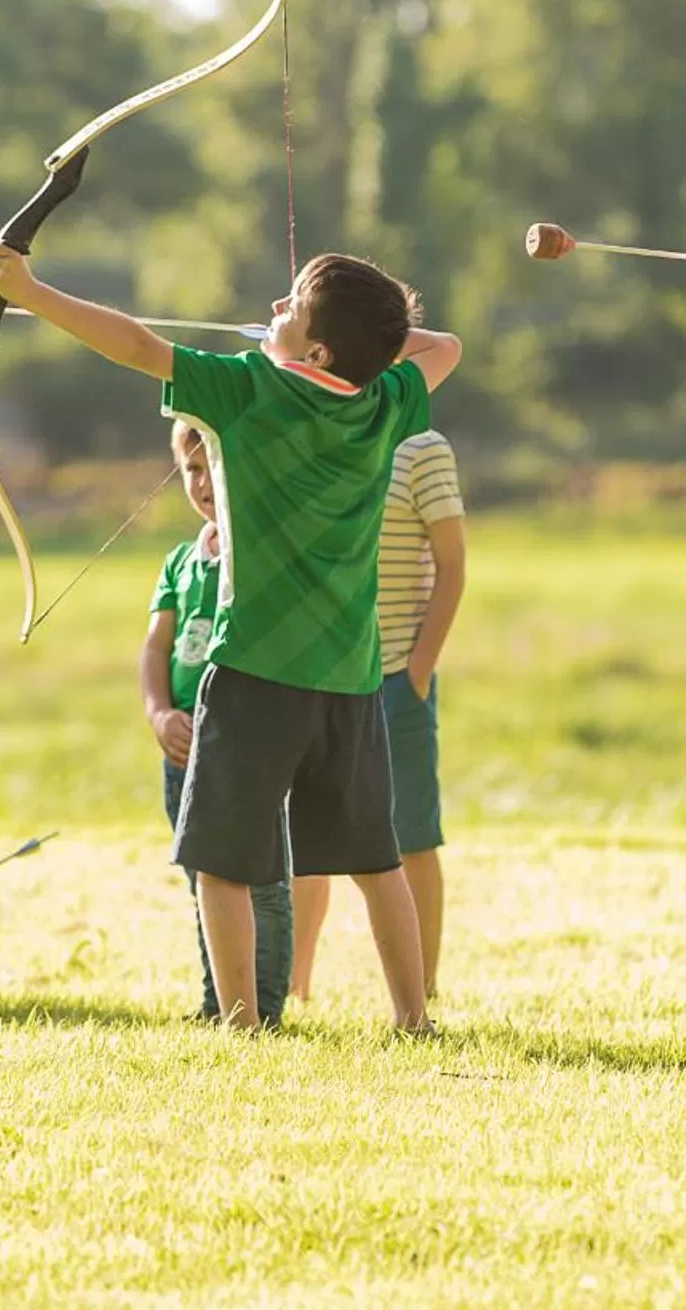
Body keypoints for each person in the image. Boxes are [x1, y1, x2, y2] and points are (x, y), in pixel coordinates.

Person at [0, 242, 460, 1031]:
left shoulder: (241, 391)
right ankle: (414, 1019)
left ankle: (242, 1023)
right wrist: (352, 351)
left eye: (291, 306)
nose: (274, 308)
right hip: (348, 675)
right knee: (377, 861)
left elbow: (134, 344)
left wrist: (28, 290)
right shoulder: (387, 401)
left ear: (317, 347)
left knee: (221, 860)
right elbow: (445, 347)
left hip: (253, 671)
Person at [293, 427, 466, 1002]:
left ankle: (425, 987)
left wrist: (417, 670)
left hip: (393, 675)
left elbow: (452, 565)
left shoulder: (422, 448)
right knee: (303, 836)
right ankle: (294, 990)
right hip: (317, 672)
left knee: (411, 837)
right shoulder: (311, 430)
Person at [142, 418, 292, 1023]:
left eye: (219, 467)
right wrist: (158, 713)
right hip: (184, 749)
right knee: (202, 878)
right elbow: (156, 648)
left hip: (249, 740)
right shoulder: (180, 561)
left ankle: (264, 1006)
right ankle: (219, 1003)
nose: (205, 483)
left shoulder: (266, 548)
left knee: (263, 885)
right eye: (193, 469)